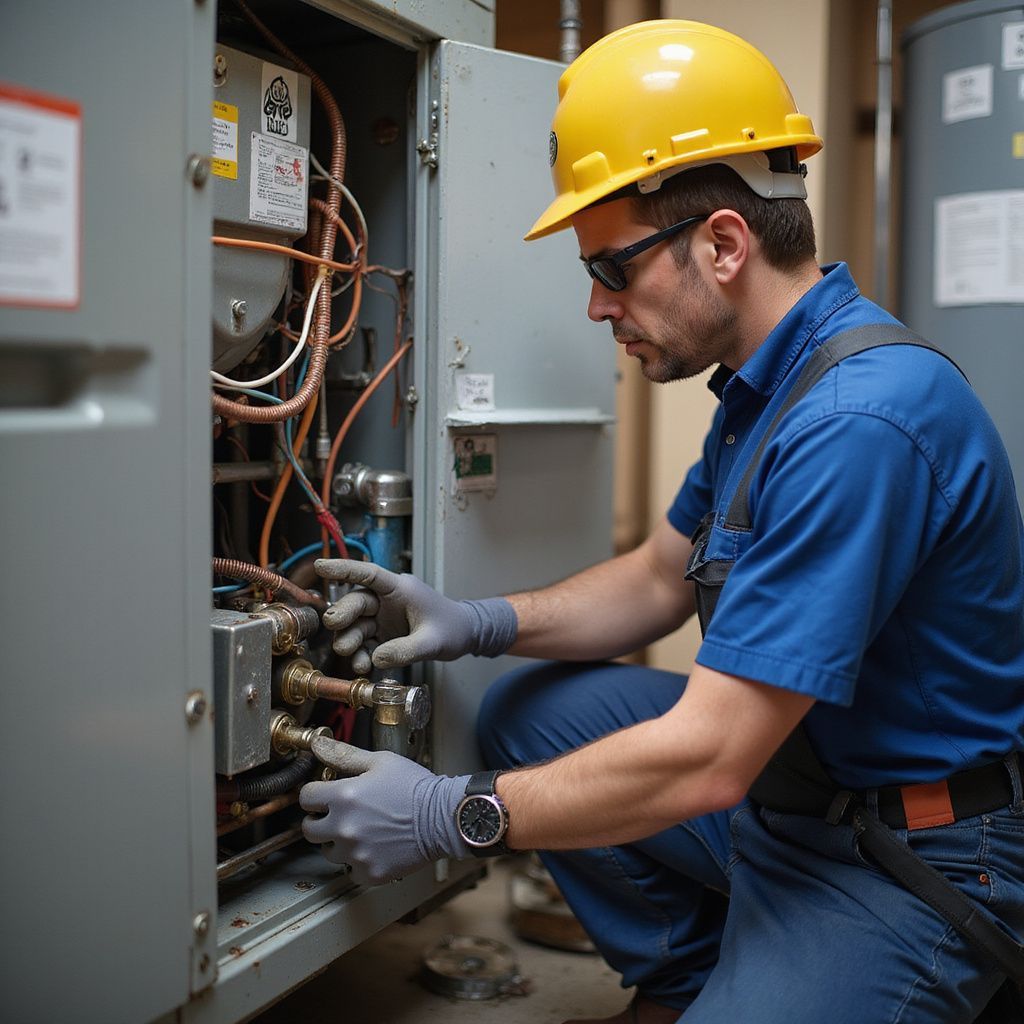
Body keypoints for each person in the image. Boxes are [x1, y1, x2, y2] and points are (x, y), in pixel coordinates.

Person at [298, 21, 1024, 1024]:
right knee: (527, 713)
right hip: (792, 797)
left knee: (583, 764)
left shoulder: (860, 420)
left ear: (722, 243)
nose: (598, 309)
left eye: (610, 270)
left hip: (900, 853)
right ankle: (685, 985)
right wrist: (472, 618)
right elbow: (651, 578)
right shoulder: (766, 394)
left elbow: (708, 754)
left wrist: (452, 814)